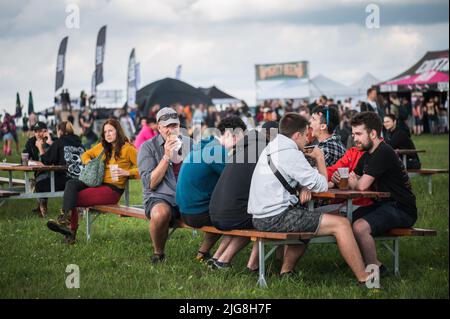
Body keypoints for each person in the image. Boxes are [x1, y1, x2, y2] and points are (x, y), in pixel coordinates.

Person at [248, 113, 371, 284]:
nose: (308, 139)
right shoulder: (291, 153)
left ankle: (286, 272)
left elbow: (299, 179)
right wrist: (319, 157)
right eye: (306, 135)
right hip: (275, 217)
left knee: (308, 216)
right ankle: (365, 278)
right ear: (297, 135)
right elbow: (321, 184)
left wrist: (306, 185)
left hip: (259, 216)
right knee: (341, 224)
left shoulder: (272, 147)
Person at [46, 119, 139, 244]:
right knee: (71, 184)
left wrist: (128, 172)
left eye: (110, 131)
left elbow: (145, 167)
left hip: (112, 190)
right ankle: (66, 222)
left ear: (118, 131)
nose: (108, 134)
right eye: (105, 131)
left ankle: (69, 231)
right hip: (97, 182)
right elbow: (85, 154)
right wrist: (88, 162)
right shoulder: (102, 146)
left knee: (73, 198)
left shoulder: (128, 149)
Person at [349, 112, 417, 274]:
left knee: (360, 227)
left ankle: (374, 272)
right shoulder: (367, 155)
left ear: (373, 133)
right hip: (384, 204)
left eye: (358, 134)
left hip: (402, 209)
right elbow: (353, 178)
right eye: (353, 134)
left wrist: (353, 183)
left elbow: (361, 185)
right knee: (346, 221)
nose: (354, 138)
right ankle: (370, 265)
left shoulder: (383, 152)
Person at [176, 116, 248, 268]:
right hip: (196, 213)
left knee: (225, 210)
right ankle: (222, 261)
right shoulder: (218, 152)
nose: (240, 145)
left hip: (185, 210)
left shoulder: (206, 145)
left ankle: (203, 254)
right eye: (239, 139)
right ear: (229, 135)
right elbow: (240, 181)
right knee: (243, 216)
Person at [138, 107, 193, 264]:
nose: (171, 130)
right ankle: (159, 254)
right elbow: (150, 183)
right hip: (159, 196)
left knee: (219, 209)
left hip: (186, 196)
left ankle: (203, 252)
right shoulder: (148, 147)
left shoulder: (190, 143)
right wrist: (167, 156)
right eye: (167, 126)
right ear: (159, 127)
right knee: (160, 213)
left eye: (174, 125)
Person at [208, 129, 268, 271]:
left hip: (214, 212)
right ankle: (229, 261)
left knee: (240, 215)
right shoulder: (264, 152)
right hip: (229, 215)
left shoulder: (239, 151)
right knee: (262, 218)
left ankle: (216, 257)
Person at [35, 121, 85, 217]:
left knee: (39, 182)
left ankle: (43, 209)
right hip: (81, 180)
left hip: (65, 180)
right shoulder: (80, 144)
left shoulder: (59, 142)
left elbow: (46, 161)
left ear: (60, 131)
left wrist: (40, 148)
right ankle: (80, 208)